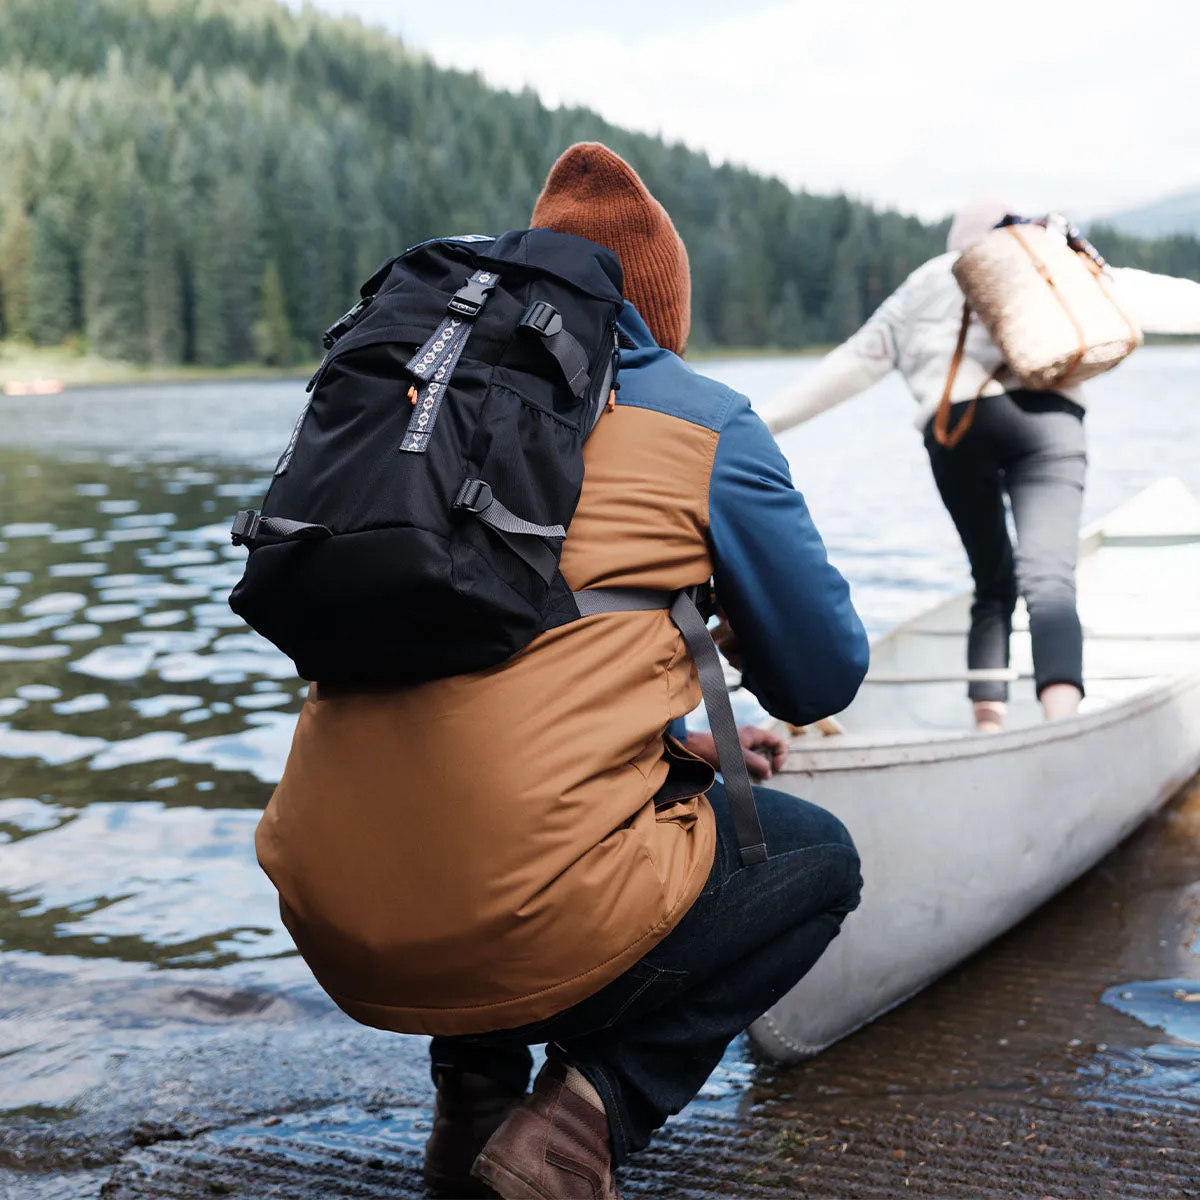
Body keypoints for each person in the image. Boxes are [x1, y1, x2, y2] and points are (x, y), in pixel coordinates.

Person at [255, 142, 869, 1200]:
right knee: (816, 862)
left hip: (327, 915)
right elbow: (822, 680)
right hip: (512, 919)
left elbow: (478, 663)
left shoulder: (417, 406)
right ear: (656, 310)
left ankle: (475, 1112)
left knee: (469, 813)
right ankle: (577, 1128)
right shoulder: (699, 417)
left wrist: (679, 741)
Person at [768, 195, 1200, 732]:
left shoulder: (928, 279)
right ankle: (1060, 720)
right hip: (1050, 421)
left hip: (957, 428)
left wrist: (759, 424)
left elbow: (855, 363)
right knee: (1051, 579)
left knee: (992, 582)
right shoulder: (1051, 259)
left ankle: (988, 726)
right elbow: (1147, 295)